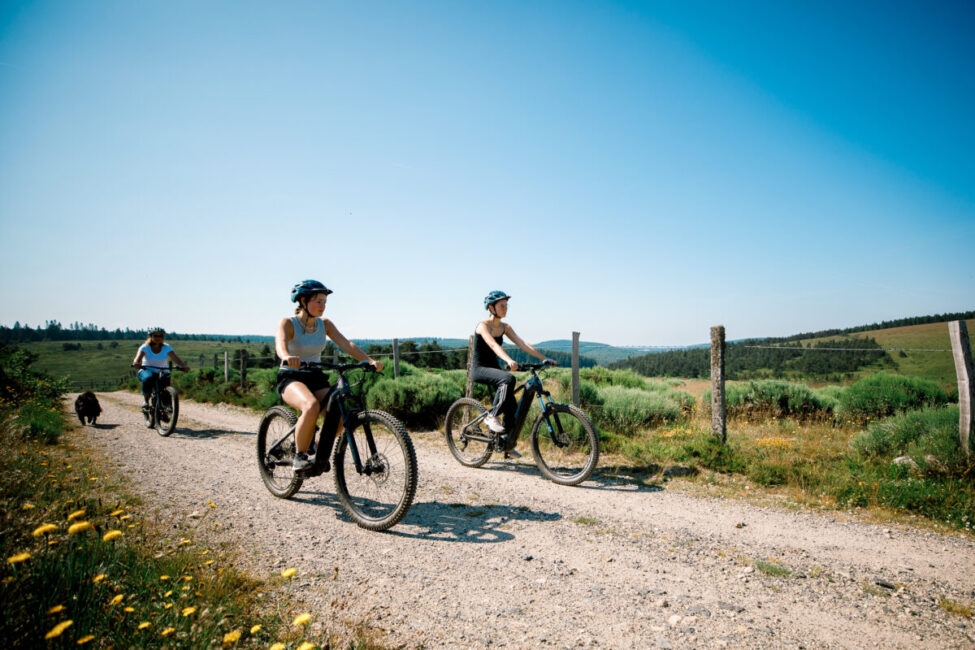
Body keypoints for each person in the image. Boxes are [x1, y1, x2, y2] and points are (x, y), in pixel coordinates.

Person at [276, 279, 383, 471]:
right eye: (318, 301)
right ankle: (299, 456)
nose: (322, 306)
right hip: (292, 376)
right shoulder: (288, 323)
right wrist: (287, 356)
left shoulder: (324, 324)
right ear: (303, 300)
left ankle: (316, 448)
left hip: (315, 376)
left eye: (325, 302)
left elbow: (346, 344)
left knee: (339, 416)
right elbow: (280, 345)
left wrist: (369, 361)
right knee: (311, 406)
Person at [471, 291, 552, 459]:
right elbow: (493, 345)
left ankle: (506, 444)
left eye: (506, 306)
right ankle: (491, 416)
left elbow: (523, 344)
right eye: (502, 306)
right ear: (491, 308)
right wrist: (509, 360)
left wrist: (544, 358)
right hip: (480, 369)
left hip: (494, 369)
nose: (505, 309)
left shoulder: (504, 327)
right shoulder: (482, 326)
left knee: (512, 406)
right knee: (508, 378)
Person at [131, 328, 189, 414]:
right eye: (155, 335)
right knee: (148, 378)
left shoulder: (166, 347)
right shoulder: (145, 347)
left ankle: (166, 407)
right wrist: (136, 363)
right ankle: (146, 401)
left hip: (162, 371)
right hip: (147, 369)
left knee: (165, 387)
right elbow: (138, 358)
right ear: (150, 336)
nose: (158, 338)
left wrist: (183, 365)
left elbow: (175, 358)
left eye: (160, 336)